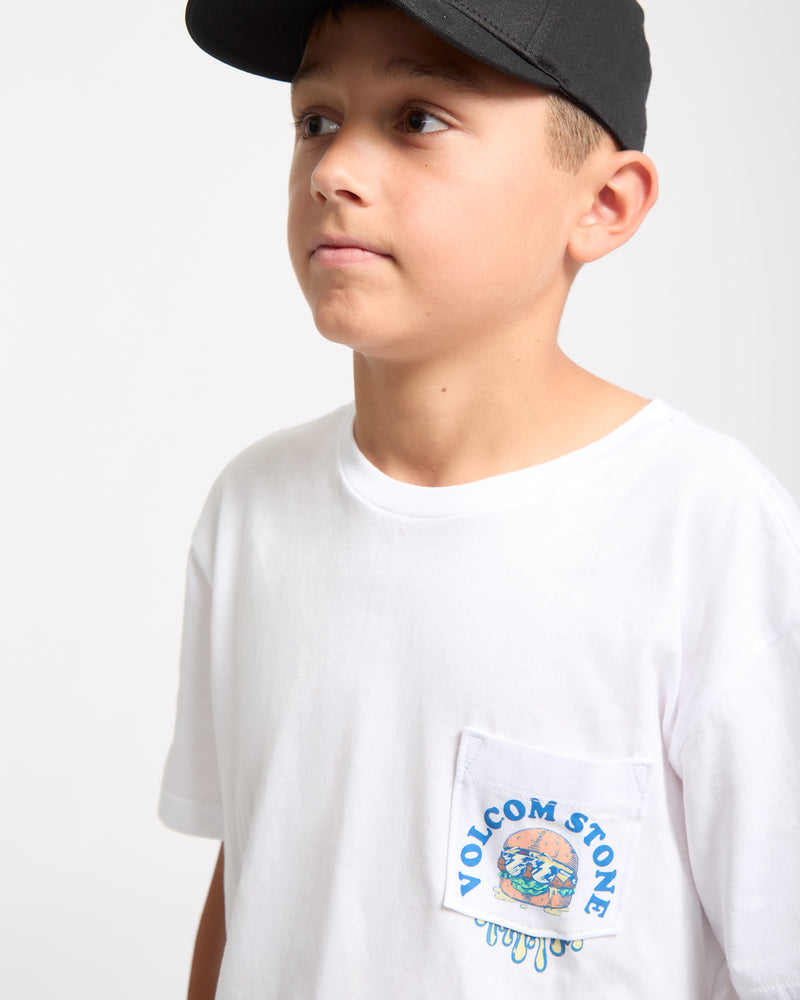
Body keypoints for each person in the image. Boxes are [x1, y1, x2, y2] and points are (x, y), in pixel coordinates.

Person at [159, 1, 800, 997]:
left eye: (416, 118)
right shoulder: (254, 511)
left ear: (602, 205)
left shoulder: (704, 536)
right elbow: (258, 864)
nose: (332, 169)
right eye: (315, 119)